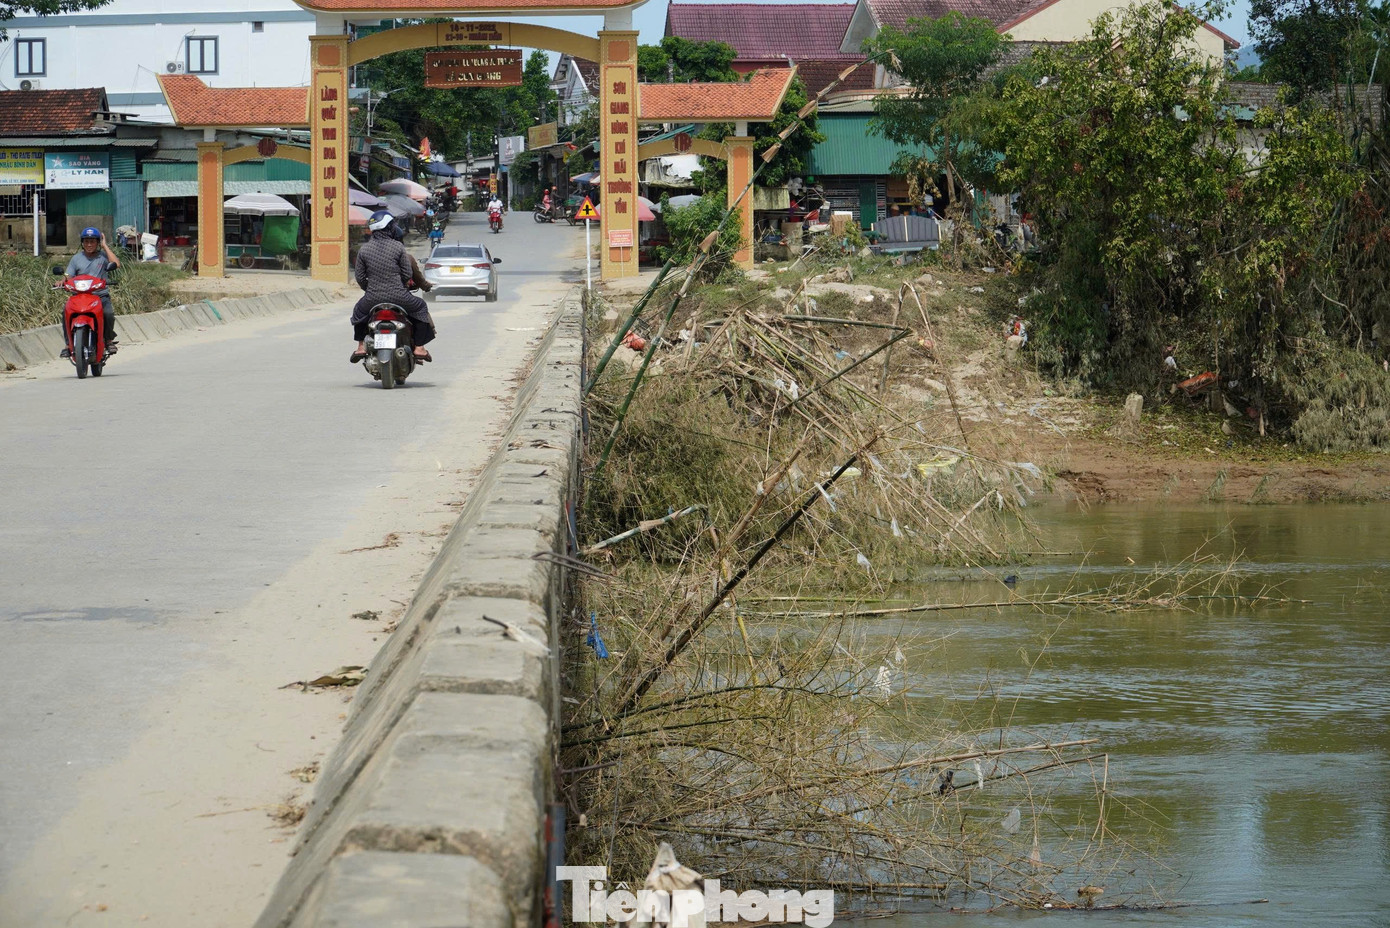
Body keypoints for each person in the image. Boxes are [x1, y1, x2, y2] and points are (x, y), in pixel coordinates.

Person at [350, 210, 435, 364]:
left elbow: (360, 277)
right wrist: (399, 285)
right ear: (389, 227)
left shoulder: (364, 250)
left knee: (359, 311)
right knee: (421, 307)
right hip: (400, 297)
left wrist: (371, 289)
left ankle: (361, 346)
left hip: (372, 298)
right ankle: (419, 348)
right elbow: (407, 272)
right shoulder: (397, 247)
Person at [60, 227, 120, 357]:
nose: (89, 244)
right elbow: (68, 275)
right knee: (65, 312)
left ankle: (108, 340)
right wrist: (62, 281)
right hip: (79, 297)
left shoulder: (103, 257)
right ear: (82, 243)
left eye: (92, 241)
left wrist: (105, 246)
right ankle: (68, 345)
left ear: (97, 243)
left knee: (108, 313)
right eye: (86, 241)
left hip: (100, 296)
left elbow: (116, 263)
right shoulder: (76, 258)